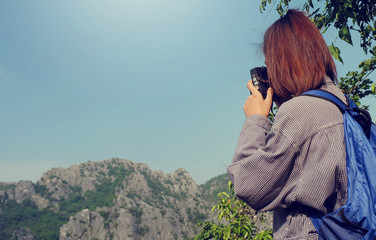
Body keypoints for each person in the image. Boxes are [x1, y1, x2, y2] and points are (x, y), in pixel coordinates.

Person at [227, 9, 347, 240]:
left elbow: (247, 185)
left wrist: (256, 120)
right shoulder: (344, 106)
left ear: (283, 62)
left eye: (270, 64)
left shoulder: (300, 112)